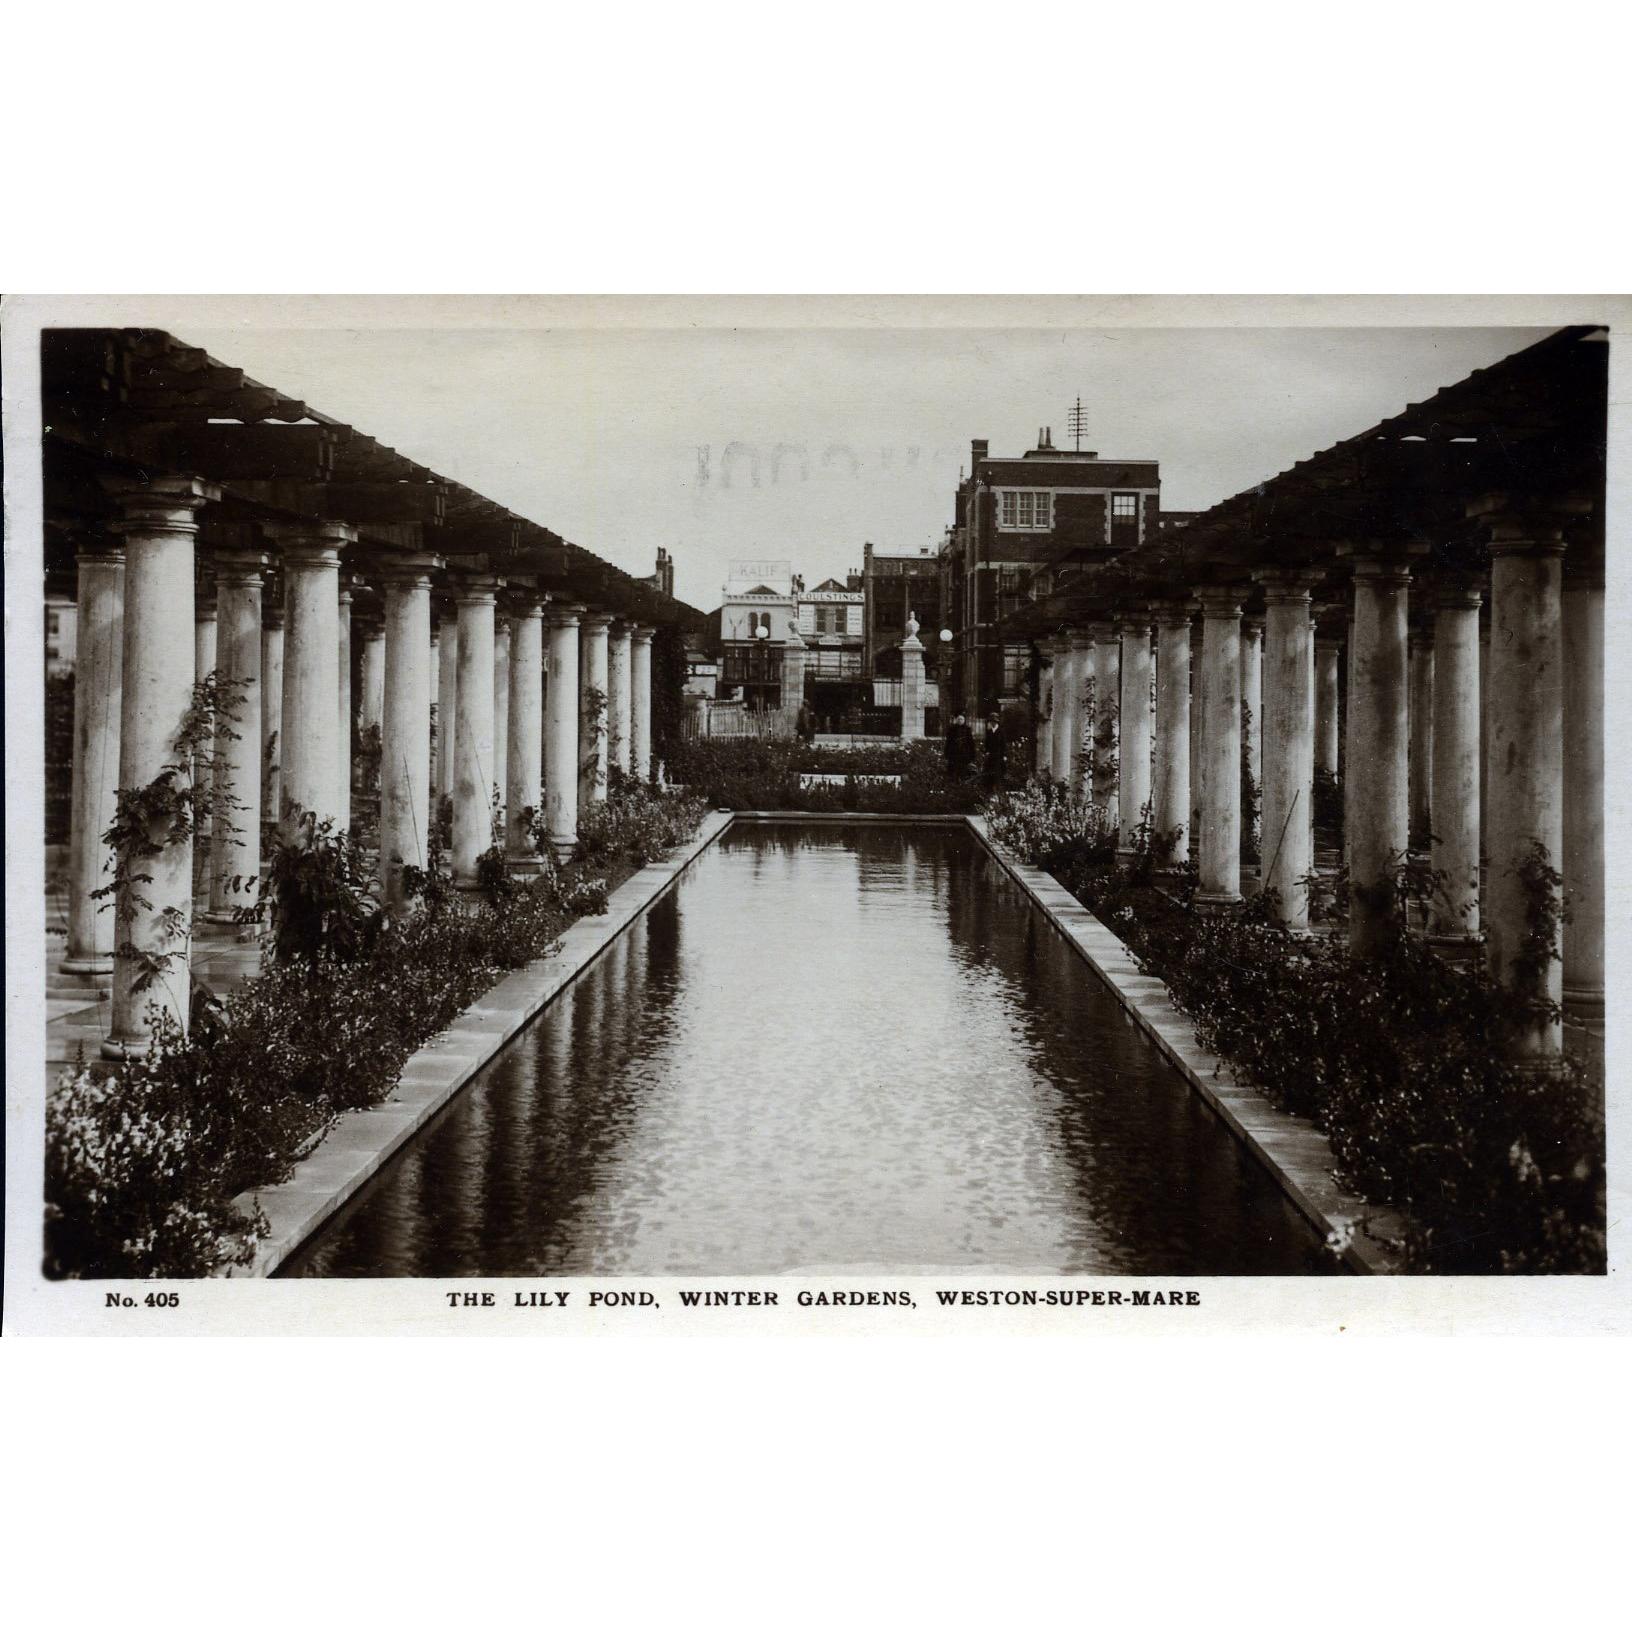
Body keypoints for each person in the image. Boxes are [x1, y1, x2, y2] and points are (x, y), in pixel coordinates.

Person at [982, 712, 1007, 791]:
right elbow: (986, 744)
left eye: (994, 721)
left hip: (999, 756)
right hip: (990, 756)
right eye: (991, 721)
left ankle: (998, 789)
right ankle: (989, 790)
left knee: (998, 774)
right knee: (989, 774)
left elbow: (1004, 744)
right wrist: (986, 751)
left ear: (997, 722)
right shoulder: (989, 732)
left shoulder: (1001, 732)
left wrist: (1004, 755)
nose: (993, 723)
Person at [944, 712, 974, 779]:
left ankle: (962, 780)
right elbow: (948, 742)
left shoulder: (967, 729)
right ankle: (953, 781)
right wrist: (946, 753)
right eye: (959, 719)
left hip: (964, 752)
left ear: (964, 720)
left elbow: (971, 742)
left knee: (963, 768)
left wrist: (972, 753)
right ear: (956, 720)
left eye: (961, 719)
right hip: (954, 752)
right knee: (953, 768)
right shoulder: (952, 729)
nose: (960, 721)